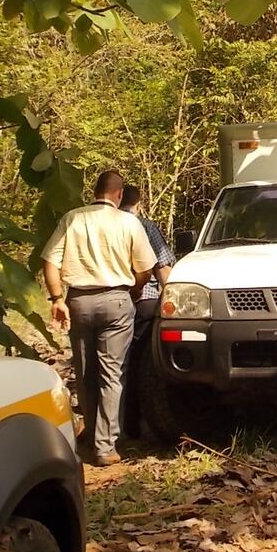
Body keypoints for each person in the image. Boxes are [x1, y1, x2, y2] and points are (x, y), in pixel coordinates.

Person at [41, 171, 156, 466]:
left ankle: (91, 436)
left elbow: (49, 260)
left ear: (95, 191)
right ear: (119, 195)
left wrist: (56, 298)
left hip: (79, 299)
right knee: (112, 373)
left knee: (85, 371)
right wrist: (135, 287)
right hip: (117, 298)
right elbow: (144, 269)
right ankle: (105, 446)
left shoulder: (73, 218)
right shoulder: (129, 222)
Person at [119, 185, 176, 438]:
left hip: (111, 298)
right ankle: (134, 423)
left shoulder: (104, 225)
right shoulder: (144, 226)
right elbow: (162, 268)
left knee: (112, 363)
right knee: (140, 362)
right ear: (138, 203)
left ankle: (114, 424)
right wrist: (172, 296)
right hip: (145, 300)